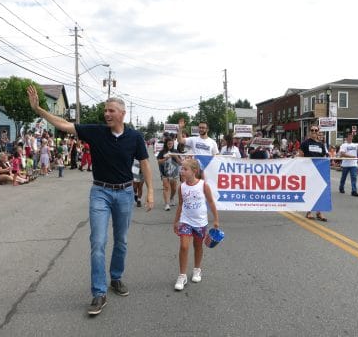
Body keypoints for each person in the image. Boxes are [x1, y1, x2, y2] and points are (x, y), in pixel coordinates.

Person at [27, 85, 154, 316]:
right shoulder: (95, 131)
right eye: (105, 110)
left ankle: (116, 278)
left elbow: (144, 162)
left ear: (122, 114)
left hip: (125, 193)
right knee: (98, 242)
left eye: (111, 110)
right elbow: (64, 124)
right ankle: (98, 292)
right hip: (100, 192)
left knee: (122, 241)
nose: (106, 114)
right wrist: (39, 110)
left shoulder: (135, 137)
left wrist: (151, 191)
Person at [173, 158, 220, 291]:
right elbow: (180, 204)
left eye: (185, 169)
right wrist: (176, 221)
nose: (181, 171)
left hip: (200, 222)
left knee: (198, 246)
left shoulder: (203, 185)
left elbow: (211, 202)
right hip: (185, 221)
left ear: (194, 171)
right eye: (181, 168)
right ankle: (182, 275)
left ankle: (197, 269)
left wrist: (216, 219)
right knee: (183, 246)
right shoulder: (181, 187)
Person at [299, 125, 328, 221]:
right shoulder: (305, 143)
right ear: (309, 132)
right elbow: (301, 157)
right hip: (309, 170)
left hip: (319, 171)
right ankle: (309, 212)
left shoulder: (321, 144)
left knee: (320, 191)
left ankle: (319, 212)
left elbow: (324, 157)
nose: (314, 131)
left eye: (316, 130)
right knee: (310, 191)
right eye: (312, 130)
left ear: (318, 132)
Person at [338, 132, 358, 197]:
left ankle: (354, 191)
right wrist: (351, 157)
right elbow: (342, 154)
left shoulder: (355, 145)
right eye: (349, 136)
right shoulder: (343, 145)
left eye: (351, 136)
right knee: (343, 177)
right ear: (347, 137)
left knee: (354, 178)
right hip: (346, 164)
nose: (351, 137)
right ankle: (341, 187)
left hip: (354, 164)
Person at [157, 137, 182, 210]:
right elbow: (158, 161)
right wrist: (165, 159)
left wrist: (175, 157)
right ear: (166, 144)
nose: (170, 145)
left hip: (174, 173)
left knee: (174, 189)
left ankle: (171, 198)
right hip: (164, 172)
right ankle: (167, 204)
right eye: (168, 144)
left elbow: (180, 163)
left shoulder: (176, 151)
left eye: (171, 143)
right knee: (166, 188)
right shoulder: (162, 152)